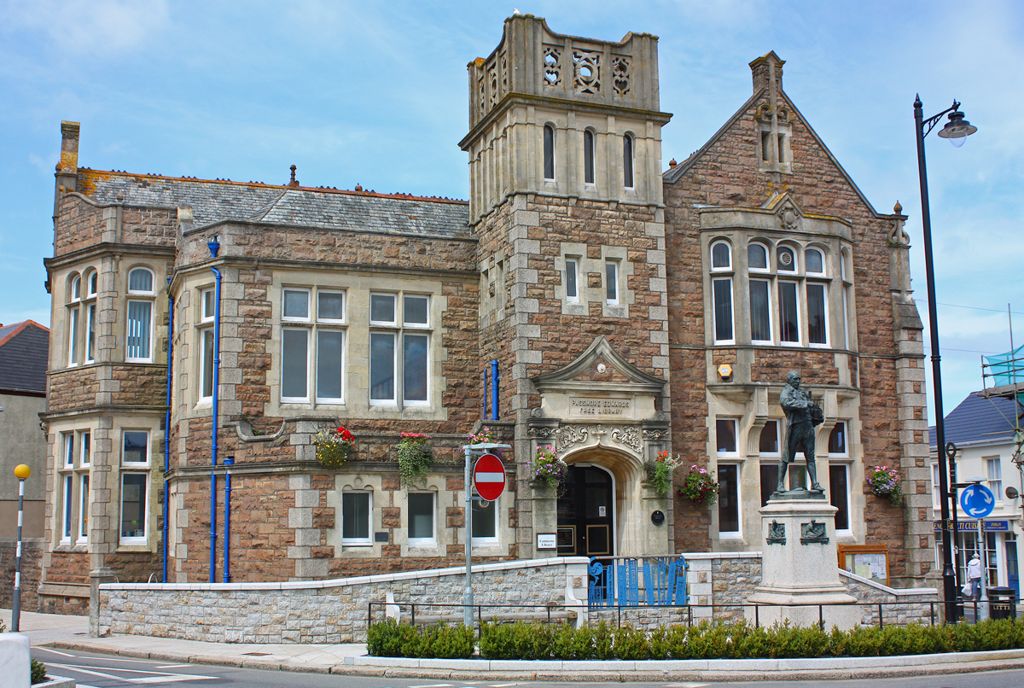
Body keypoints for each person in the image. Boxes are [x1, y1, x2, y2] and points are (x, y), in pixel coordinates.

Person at [776, 370, 825, 494]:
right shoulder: (786, 391)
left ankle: (814, 483)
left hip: (808, 426)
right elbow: (785, 403)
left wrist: (815, 411)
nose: (798, 381)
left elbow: (810, 405)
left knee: (810, 456)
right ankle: (780, 484)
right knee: (786, 456)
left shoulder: (802, 392)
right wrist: (805, 404)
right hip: (796, 426)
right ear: (789, 380)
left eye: (799, 379)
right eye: (795, 379)